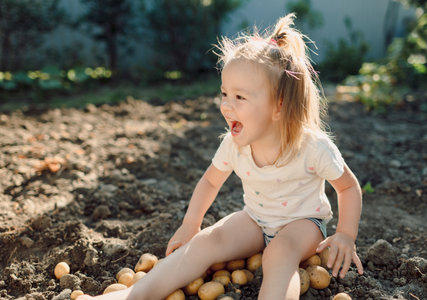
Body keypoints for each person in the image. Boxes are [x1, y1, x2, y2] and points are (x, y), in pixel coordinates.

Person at [78, 13, 363, 300]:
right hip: (256, 220)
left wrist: (345, 234)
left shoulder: (312, 146)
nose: (226, 106)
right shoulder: (235, 144)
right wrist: (191, 224)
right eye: (224, 93)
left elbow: (348, 187)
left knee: (280, 253)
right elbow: (210, 182)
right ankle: (133, 295)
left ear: (280, 106)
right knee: (207, 241)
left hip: (304, 224)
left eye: (240, 97)